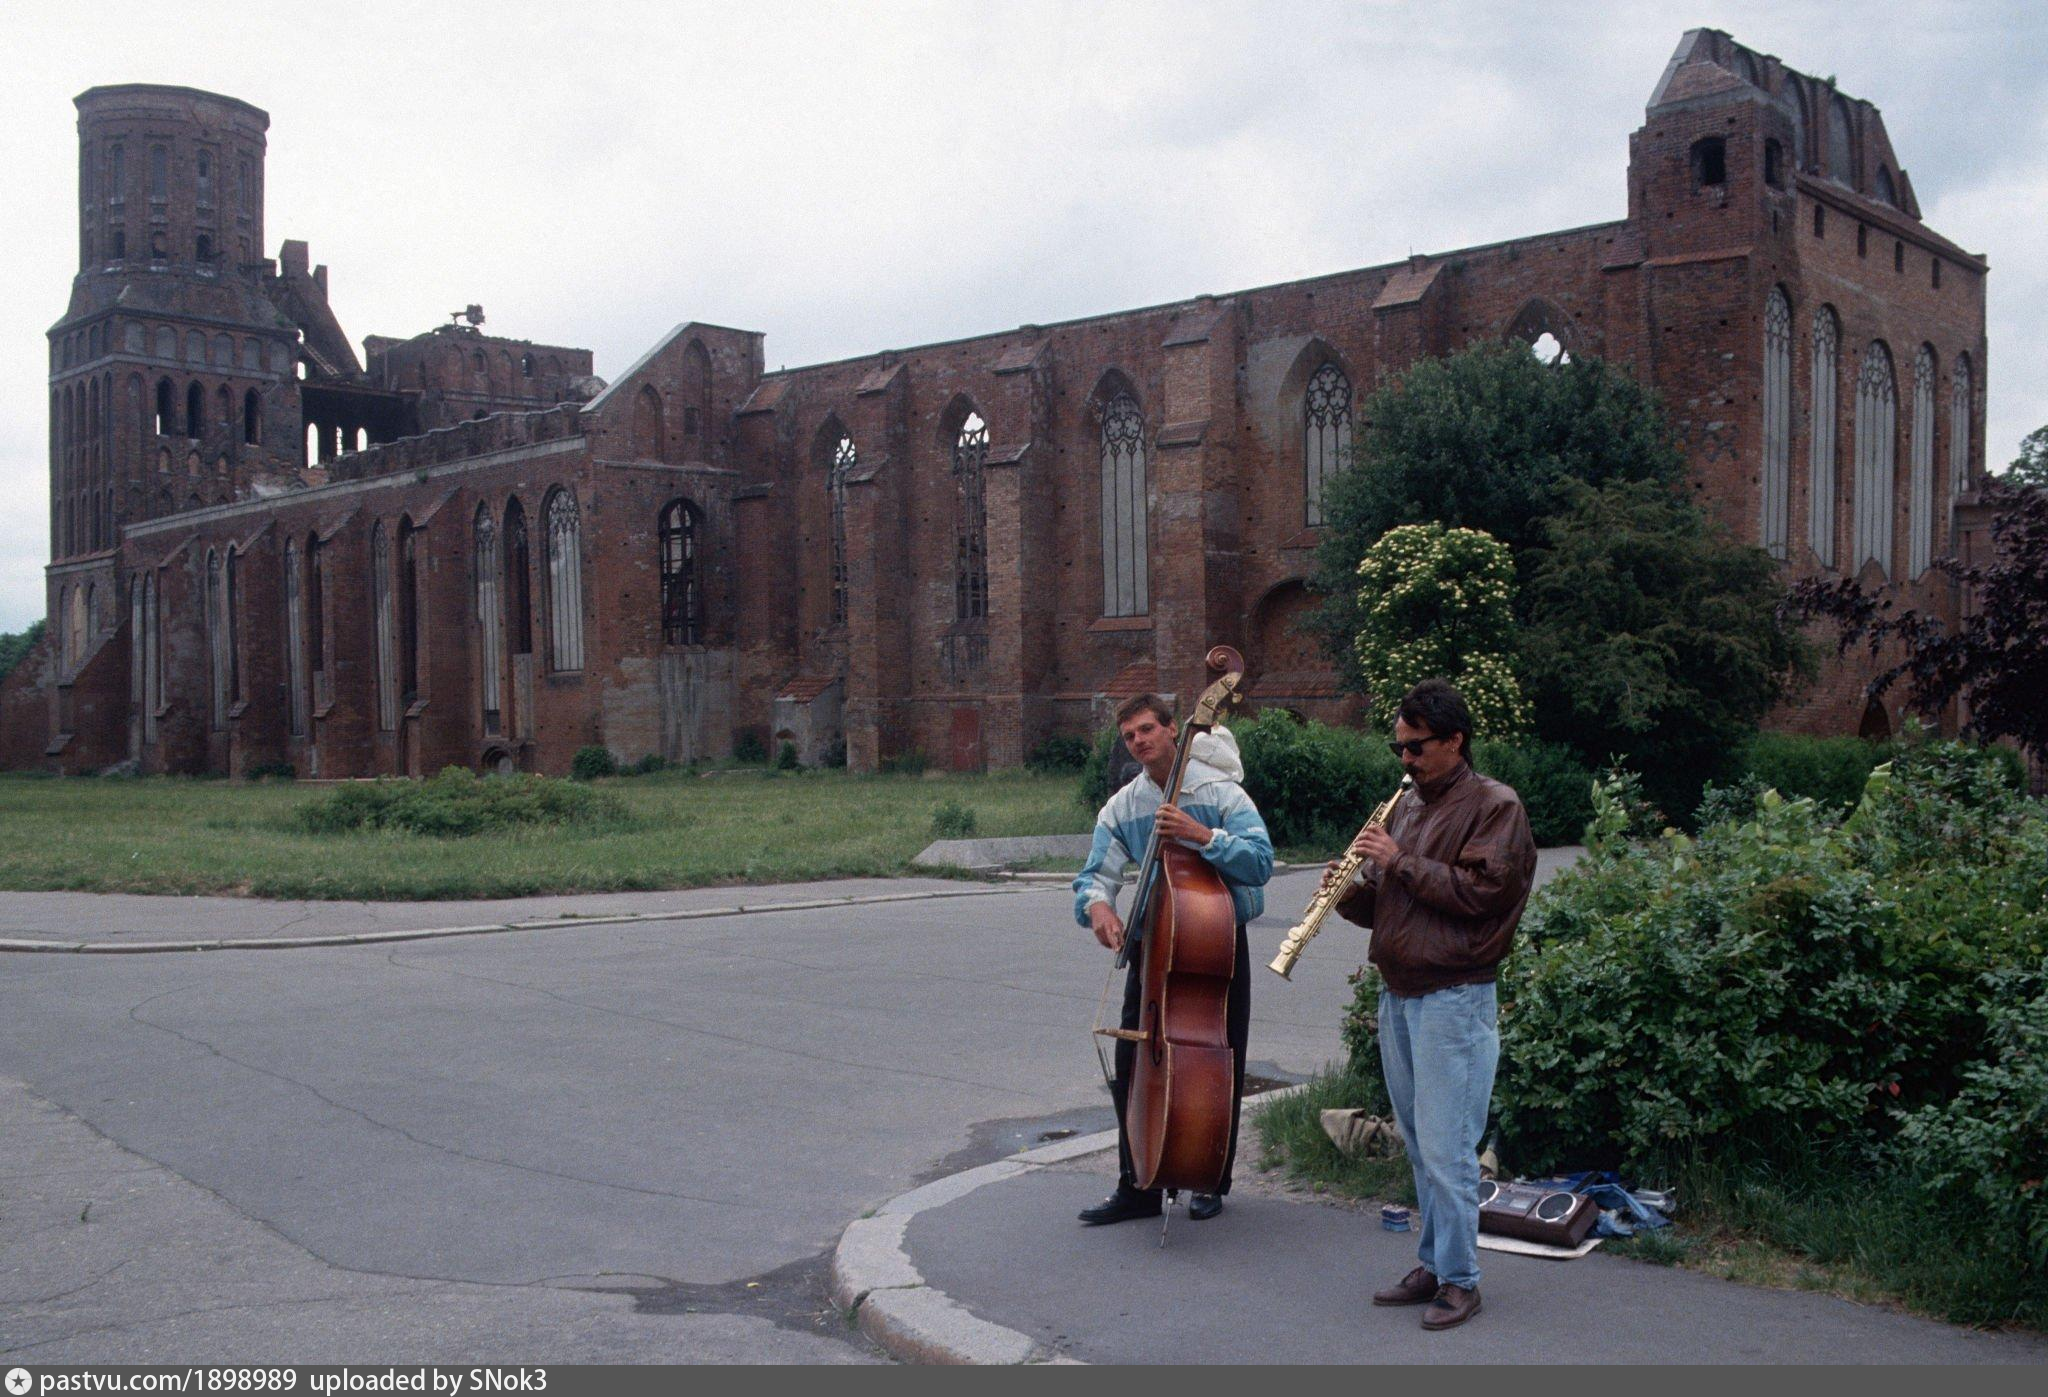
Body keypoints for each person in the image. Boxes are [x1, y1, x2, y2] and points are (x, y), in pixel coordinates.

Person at [1332, 678, 1536, 1331]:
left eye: (1416, 747)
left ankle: (1462, 1279)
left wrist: (1398, 859)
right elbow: (1391, 900)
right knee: (1421, 1144)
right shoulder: (1409, 806)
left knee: (1449, 1146)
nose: (1405, 761)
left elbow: (1484, 893)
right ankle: (1435, 1261)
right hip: (1401, 994)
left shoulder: (1495, 806)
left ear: (1454, 740)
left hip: (1455, 996)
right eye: (1398, 748)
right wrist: (1343, 892)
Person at [1071, 692, 1273, 1225]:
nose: (1138, 742)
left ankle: (1209, 1178)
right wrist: (1099, 909)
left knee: (1218, 1056)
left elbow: (1260, 861)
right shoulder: (1124, 806)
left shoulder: (1219, 791)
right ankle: (1136, 1182)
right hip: (1152, 941)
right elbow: (1096, 874)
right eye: (1129, 736)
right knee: (1133, 1060)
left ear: (1171, 731)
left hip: (1213, 937)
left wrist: (1201, 835)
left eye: (1146, 730)